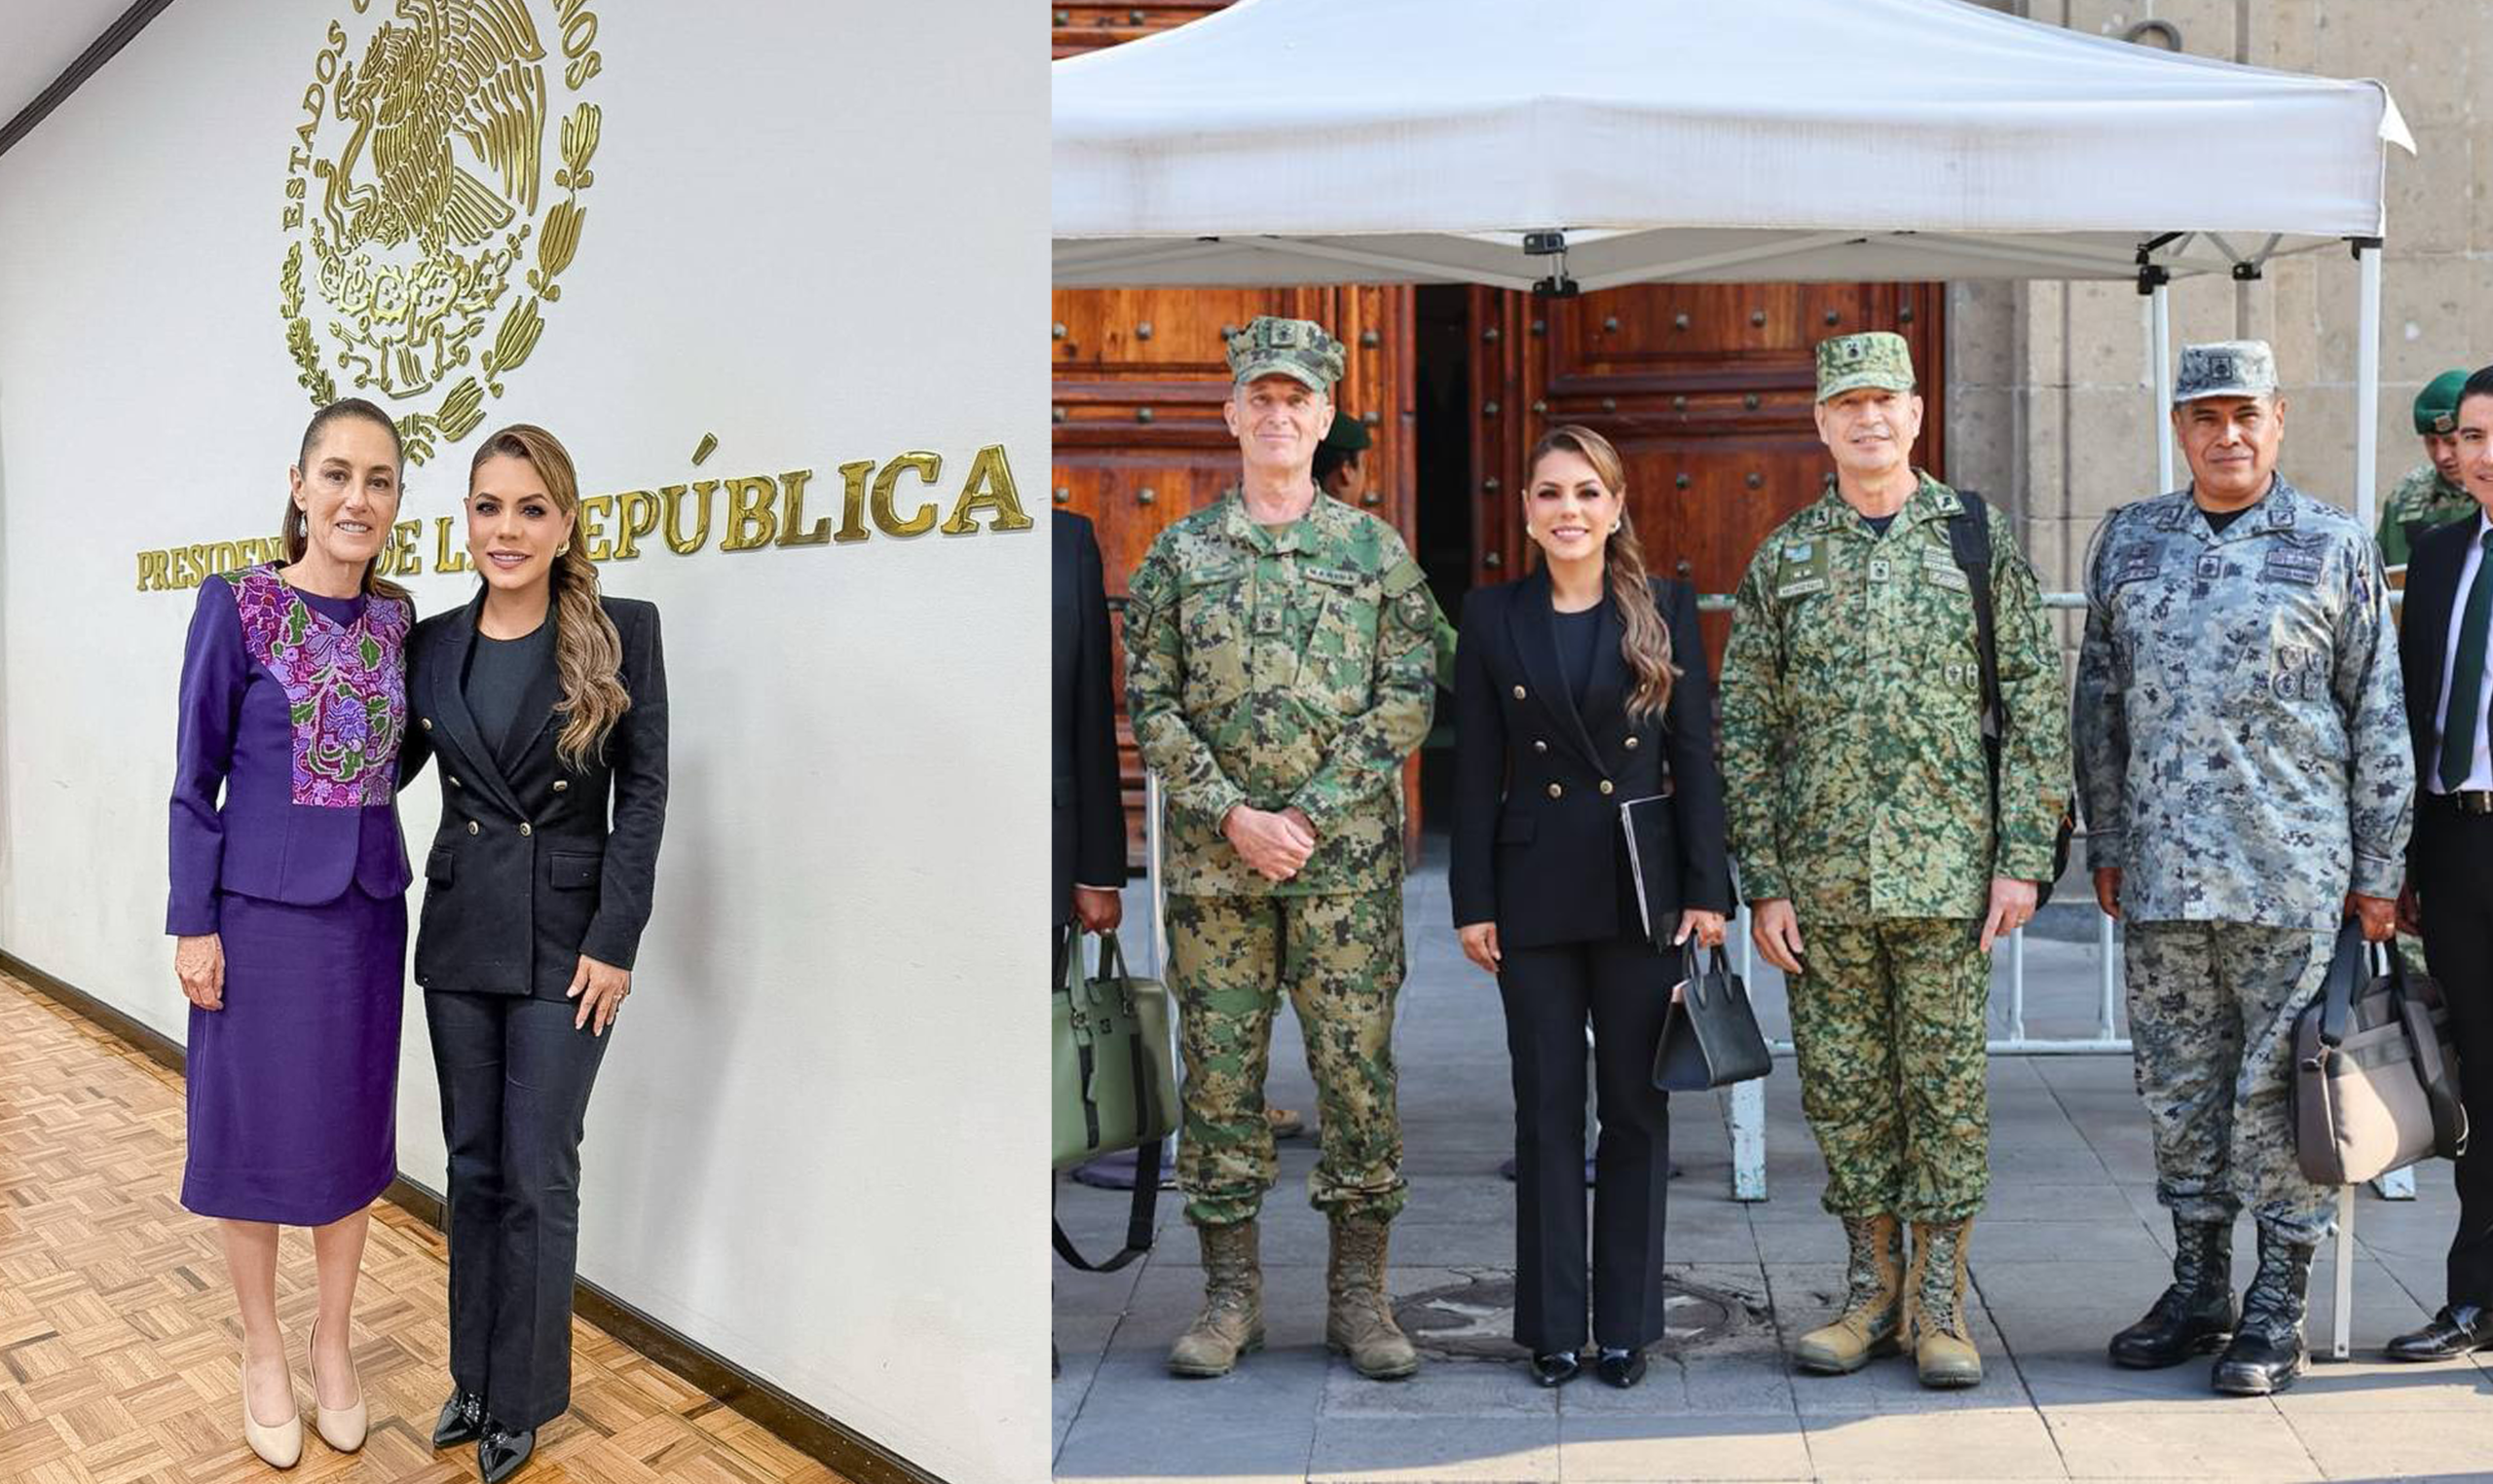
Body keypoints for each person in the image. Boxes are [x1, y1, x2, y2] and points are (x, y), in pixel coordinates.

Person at [1718, 331, 2067, 1390]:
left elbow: (2034, 702)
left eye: (1885, 402)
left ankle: (1940, 1305)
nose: (1868, 420)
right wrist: (1762, 880)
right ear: (1820, 425)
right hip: (1823, 886)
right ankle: (1869, 1291)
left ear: (1916, 415)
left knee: (1946, 1094)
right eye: (1846, 405)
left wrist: (2020, 859)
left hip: (1948, 879)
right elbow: (1744, 724)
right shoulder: (1785, 557)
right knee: (1842, 1092)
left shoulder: (1974, 538)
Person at [2074, 340, 2410, 1395]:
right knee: (2180, 1091)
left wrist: (2379, 871)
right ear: (2178, 428)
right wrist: (2110, 842)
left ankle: (2277, 1307)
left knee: (2280, 1093)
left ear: (2278, 420)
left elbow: (2379, 712)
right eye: (2204, 416)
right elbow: (2098, 704)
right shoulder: (2129, 540)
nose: (2226, 435)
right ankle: (2199, 1287)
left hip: (2291, 874)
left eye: (2244, 416)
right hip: (2167, 874)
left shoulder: (2328, 542)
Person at [1124, 315, 1435, 1381]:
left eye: (1296, 399)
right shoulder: (1180, 552)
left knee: (1356, 1084)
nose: (1275, 413)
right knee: (1218, 1086)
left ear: (1322, 417)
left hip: (1341, 874)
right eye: (1259, 396)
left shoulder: (1371, 551)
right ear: (1230, 414)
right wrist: (1233, 815)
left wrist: (1307, 811)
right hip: (1219, 876)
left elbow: (1408, 694)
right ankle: (1230, 1300)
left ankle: (1359, 1299)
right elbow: (1151, 701)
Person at [399, 424, 668, 1482]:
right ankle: (471, 1378)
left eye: (528, 509)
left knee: (537, 1170)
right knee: (469, 1168)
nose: (505, 529)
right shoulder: (432, 643)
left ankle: (523, 1398)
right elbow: (381, 770)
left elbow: (643, 792)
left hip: (570, 945)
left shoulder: (622, 632)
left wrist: (617, 935)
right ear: (466, 517)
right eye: (487, 506)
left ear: (563, 523)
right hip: (461, 930)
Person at [1450, 424, 1730, 1390]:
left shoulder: (1663, 609)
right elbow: (1476, 767)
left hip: (1638, 893)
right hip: (1530, 895)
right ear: (1525, 512)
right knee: (1545, 1113)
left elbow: (1693, 755)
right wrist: (1471, 901)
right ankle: (1553, 1329)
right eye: (1547, 493)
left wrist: (1708, 890)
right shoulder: (1491, 617)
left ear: (1614, 508)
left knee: (1636, 1111)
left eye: (1584, 493)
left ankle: (1627, 1327)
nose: (1566, 510)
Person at [168, 397, 415, 1468]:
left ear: (396, 502)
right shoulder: (238, 606)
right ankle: (262, 1348)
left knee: (350, 1134)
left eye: (379, 480)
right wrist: (192, 924)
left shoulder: (402, 619)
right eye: (338, 475)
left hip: (365, 912)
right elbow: (193, 780)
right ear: (298, 485)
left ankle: (332, 1344)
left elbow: (394, 756)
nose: (357, 498)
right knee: (258, 1134)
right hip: (258, 923)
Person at [2388, 362, 2493, 1364]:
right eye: (2463, 435)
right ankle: (2474, 1301)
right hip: (2462, 844)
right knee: (2483, 1086)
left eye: (2486, 433)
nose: (2470, 452)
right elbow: (2416, 712)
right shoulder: (2439, 551)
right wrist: (2407, 857)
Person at [2377, 369, 2477, 576]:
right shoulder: (2405, 496)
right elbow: (2378, 574)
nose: (2441, 456)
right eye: (2431, 442)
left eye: (2451, 442)